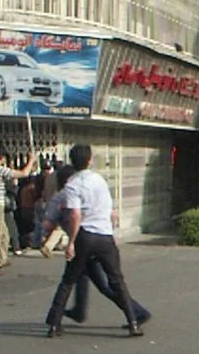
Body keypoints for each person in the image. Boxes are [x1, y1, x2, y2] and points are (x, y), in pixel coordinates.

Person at [42, 145, 144, 338]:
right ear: (90, 160)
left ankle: (54, 324)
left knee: (68, 280)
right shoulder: (99, 180)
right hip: (105, 236)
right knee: (116, 280)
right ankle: (133, 322)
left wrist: (71, 242)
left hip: (85, 235)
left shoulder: (72, 184)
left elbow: (75, 215)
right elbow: (109, 209)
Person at [0, 146, 37, 274]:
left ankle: (1, 258)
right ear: (2, 158)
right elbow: (23, 173)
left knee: (3, 233)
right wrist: (31, 161)